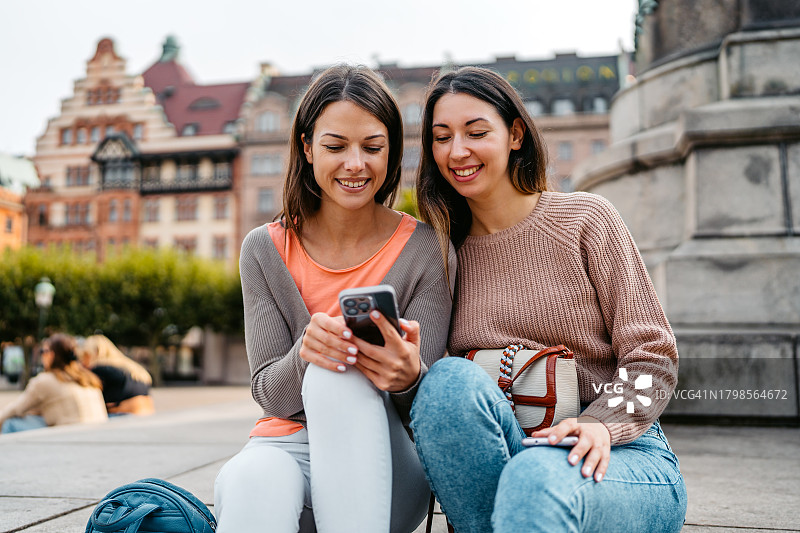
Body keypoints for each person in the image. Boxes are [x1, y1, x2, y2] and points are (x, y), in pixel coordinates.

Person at [410, 66, 687, 533]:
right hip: (503, 459)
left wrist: (602, 424)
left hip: (618, 457)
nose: (457, 151)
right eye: (441, 137)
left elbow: (653, 358)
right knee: (445, 382)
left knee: (535, 476)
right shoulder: (435, 253)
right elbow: (439, 408)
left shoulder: (587, 220)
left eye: (476, 132)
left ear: (515, 134)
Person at [213, 64, 455, 533]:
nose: (355, 164)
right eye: (335, 146)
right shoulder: (263, 249)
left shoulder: (426, 249)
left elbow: (422, 409)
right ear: (306, 147)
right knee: (251, 479)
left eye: (372, 147)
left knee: (337, 375)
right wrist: (307, 352)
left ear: (392, 152)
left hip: (385, 460)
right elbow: (268, 394)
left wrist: (407, 378)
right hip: (288, 445)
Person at [0, 333, 108, 434]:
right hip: (96, 435)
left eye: (43, 351)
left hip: (69, 438)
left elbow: (16, 409)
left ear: (51, 355)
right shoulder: (88, 378)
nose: (42, 355)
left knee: (10, 423)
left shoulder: (45, 380)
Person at [78, 334, 154, 416]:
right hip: (147, 412)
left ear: (95, 352)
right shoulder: (131, 367)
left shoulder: (100, 368)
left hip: (123, 415)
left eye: (85, 355)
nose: (82, 361)